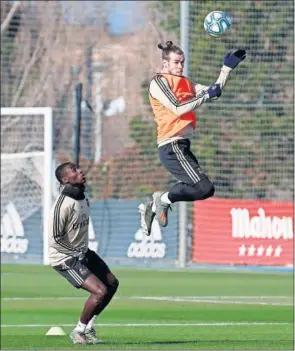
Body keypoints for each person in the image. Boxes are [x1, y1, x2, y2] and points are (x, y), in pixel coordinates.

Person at [139, 41, 246, 235]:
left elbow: (214, 92)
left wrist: (226, 69)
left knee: (203, 189)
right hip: (171, 145)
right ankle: (161, 200)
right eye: (176, 62)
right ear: (165, 64)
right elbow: (178, 109)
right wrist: (206, 96)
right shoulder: (159, 82)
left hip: (181, 145)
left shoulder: (187, 82)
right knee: (204, 188)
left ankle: (156, 204)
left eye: (182, 62)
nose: (180, 66)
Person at [48, 162, 119, 345]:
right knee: (100, 291)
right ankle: (78, 331)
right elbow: (54, 240)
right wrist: (75, 252)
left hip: (82, 252)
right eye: (74, 170)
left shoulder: (83, 199)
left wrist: (82, 252)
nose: (80, 171)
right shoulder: (61, 205)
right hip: (64, 258)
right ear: (65, 180)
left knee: (111, 284)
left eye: (78, 168)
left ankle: (88, 328)